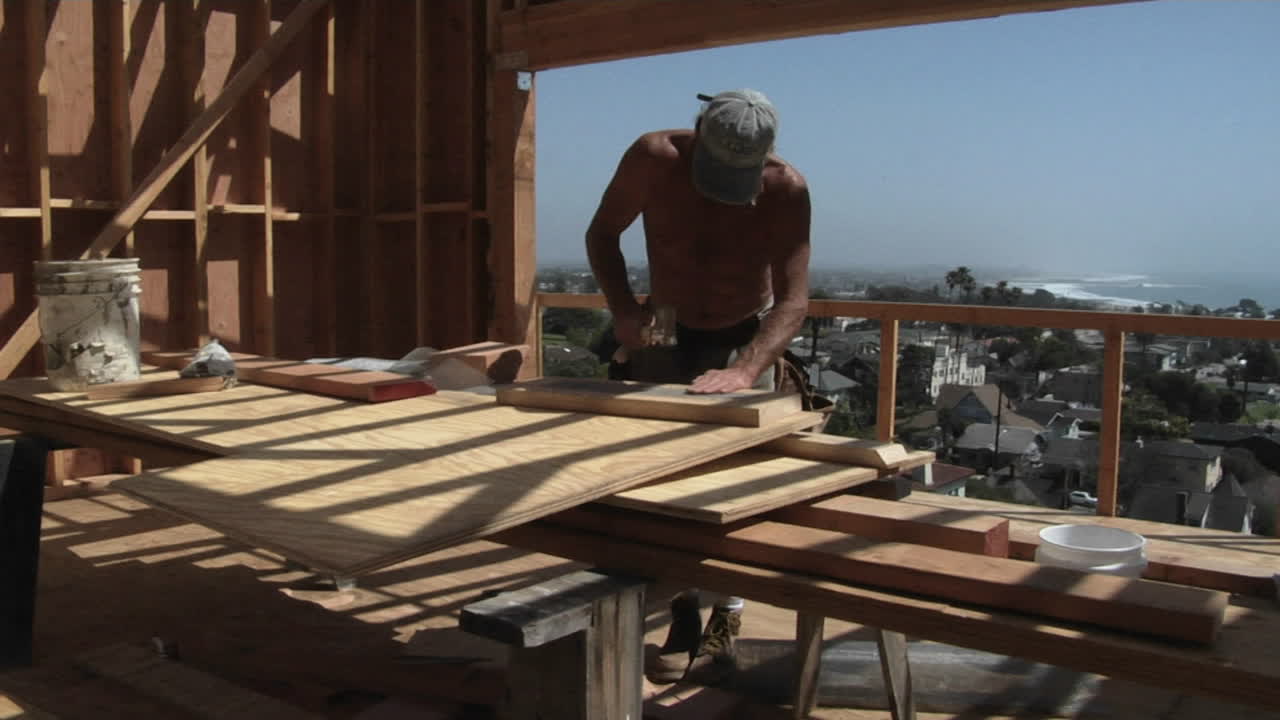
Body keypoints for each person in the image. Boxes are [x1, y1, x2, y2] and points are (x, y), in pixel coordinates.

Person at [584, 88, 812, 685]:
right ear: (697, 134)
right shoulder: (653, 160)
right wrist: (622, 310)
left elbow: (792, 298)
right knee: (658, 482)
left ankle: (727, 612)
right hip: (663, 329)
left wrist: (747, 368)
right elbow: (602, 234)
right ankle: (683, 610)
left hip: (744, 335)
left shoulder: (785, 188)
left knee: (741, 484)